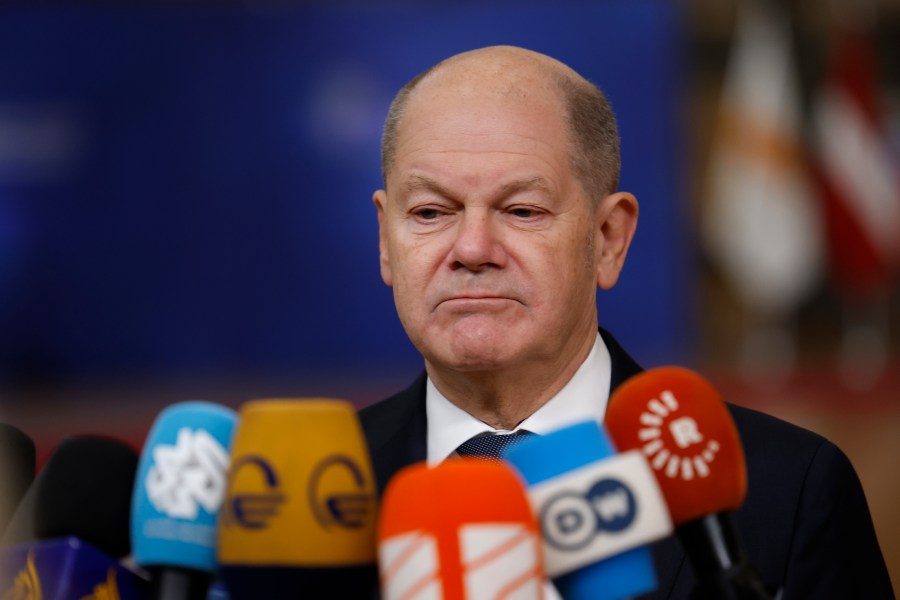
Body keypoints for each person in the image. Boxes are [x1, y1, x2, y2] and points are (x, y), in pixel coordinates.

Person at [359, 45, 894, 599]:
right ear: (385, 241)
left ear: (609, 238)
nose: (472, 248)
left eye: (522, 210)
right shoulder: (321, 498)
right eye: (430, 212)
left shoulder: (790, 489)